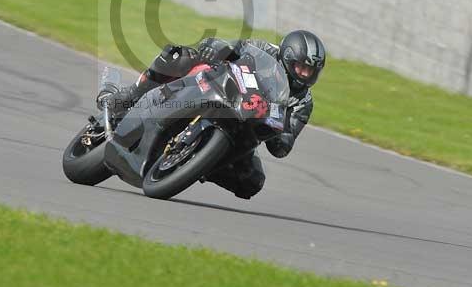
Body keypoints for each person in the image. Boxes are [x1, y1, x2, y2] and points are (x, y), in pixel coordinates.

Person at [97, 30, 327, 199]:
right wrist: (217, 47)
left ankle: (197, 162)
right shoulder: (266, 49)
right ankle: (127, 96)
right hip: (221, 89)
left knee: (252, 182)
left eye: (311, 71)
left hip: (247, 125)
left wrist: (278, 134)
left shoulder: (304, 102)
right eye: (301, 67)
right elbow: (235, 48)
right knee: (181, 56)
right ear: (287, 58)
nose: (305, 74)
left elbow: (284, 145)